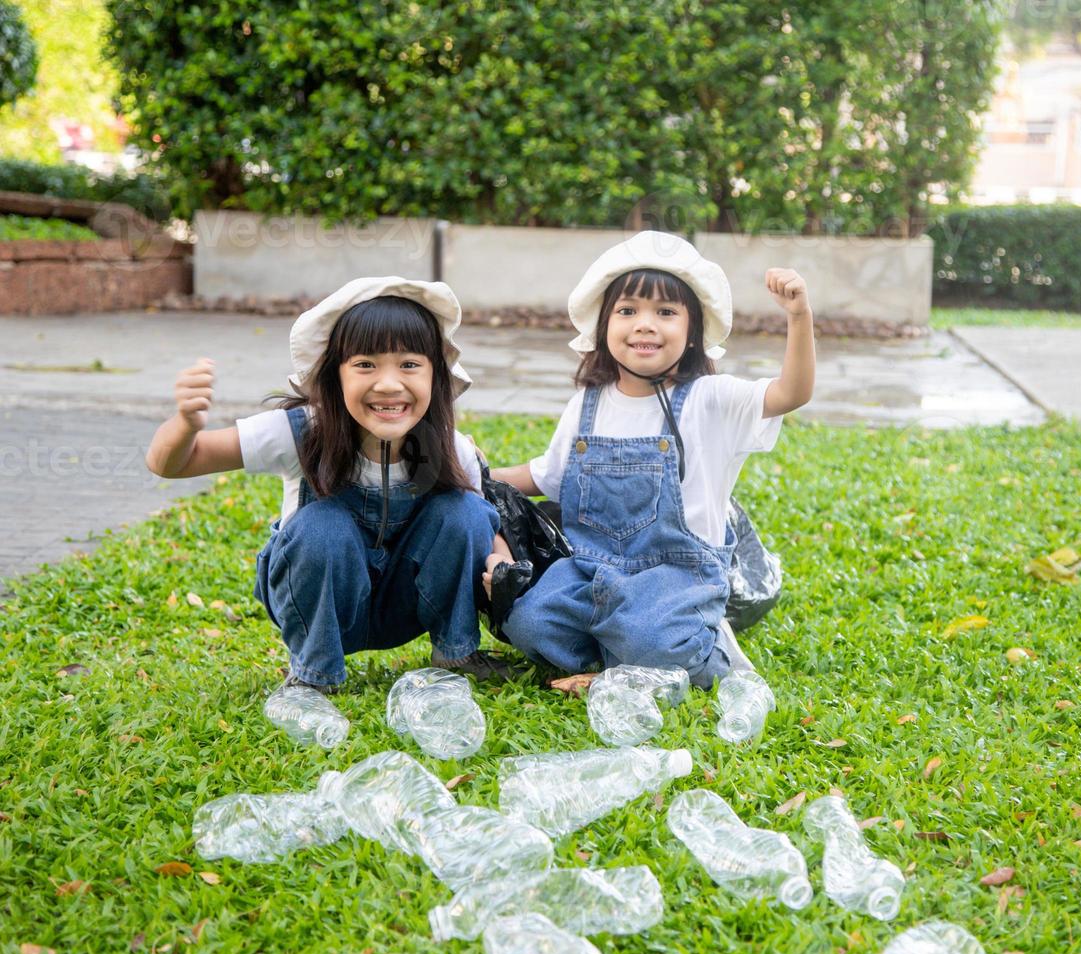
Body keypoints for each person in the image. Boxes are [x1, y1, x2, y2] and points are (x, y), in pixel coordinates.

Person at [145, 277, 513, 693]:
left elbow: (486, 526)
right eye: (365, 365)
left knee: (463, 511)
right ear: (335, 376)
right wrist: (185, 425)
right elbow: (171, 464)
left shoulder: (450, 448)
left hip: (406, 605)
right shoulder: (301, 432)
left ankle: (457, 652)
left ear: (436, 377)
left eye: (409, 364)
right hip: (323, 605)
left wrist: (500, 565)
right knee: (322, 524)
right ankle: (313, 677)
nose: (389, 384)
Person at [489, 231, 815, 688]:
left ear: (693, 332)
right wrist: (475, 473)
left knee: (652, 635)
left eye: (665, 312)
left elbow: (791, 392)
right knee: (528, 621)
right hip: (591, 569)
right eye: (628, 311)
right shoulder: (588, 401)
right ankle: (617, 660)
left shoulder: (711, 399)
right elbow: (547, 475)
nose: (645, 324)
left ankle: (702, 647)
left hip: (677, 576)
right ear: (604, 326)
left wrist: (799, 316)